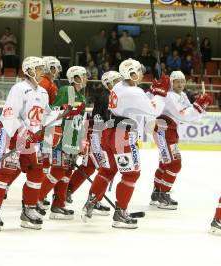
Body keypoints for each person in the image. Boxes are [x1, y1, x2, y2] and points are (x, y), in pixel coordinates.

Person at [81, 59, 168, 229]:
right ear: (132, 74)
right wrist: (161, 93)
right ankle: (120, 213)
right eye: (139, 71)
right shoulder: (133, 91)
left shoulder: (120, 86)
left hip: (110, 132)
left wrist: (152, 91)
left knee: (108, 169)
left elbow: (139, 100)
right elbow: (154, 110)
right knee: (131, 174)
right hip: (123, 134)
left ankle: (91, 202)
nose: (142, 74)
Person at [0, 56, 55, 231]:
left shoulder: (43, 92)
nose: (42, 72)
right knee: (4, 173)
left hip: (31, 139)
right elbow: (9, 115)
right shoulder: (19, 89)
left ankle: (28, 210)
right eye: (38, 69)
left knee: (37, 171)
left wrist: (65, 113)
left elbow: (45, 116)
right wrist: (22, 134)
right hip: (11, 136)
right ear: (29, 70)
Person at [150, 71, 212, 210]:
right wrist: (199, 106)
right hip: (164, 132)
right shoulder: (170, 96)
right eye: (177, 81)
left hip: (169, 132)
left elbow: (190, 113)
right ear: (171, 83)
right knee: (174, 164)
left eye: (182, 81)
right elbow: (183, 115)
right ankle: (163, 195)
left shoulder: (182, 95)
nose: (180, 84)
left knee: (165, 163)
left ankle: (157, 192)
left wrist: (200, 104)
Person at [66, 71, 122, 214]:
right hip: (99, 136)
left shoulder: (111, 95)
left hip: (98, 135)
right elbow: (102, 121)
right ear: (108, 83)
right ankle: (94, 200)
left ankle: (68, 190)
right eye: (116, 81)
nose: (120, 83)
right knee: (105, 168)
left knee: (89, 167)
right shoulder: (107, 97)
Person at [38, 65, 87, 220]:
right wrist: (63, 108)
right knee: (58, 171)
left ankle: (59, 205)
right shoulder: (67, 90)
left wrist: (81, 142)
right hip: (62, 139)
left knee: (66, 174)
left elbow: (80, 120)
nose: (86, 78)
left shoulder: (83, 97)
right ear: (76, 78)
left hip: (73, 139)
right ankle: (36, 199)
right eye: (83, 75)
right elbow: (52, 109)